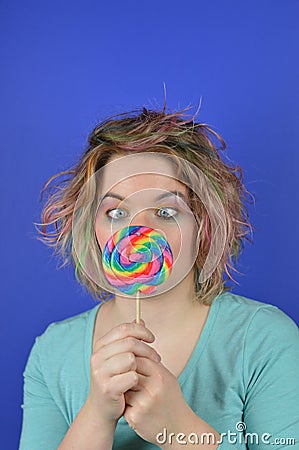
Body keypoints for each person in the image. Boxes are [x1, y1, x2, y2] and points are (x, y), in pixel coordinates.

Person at [19, 105, 299, 450]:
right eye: (116, 212)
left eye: (166, 211)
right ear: (92, 227)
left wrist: (179, 428)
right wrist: (96, 414)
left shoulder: (265, 340)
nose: (139, 231)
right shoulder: (52, 353)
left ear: (203, 225)